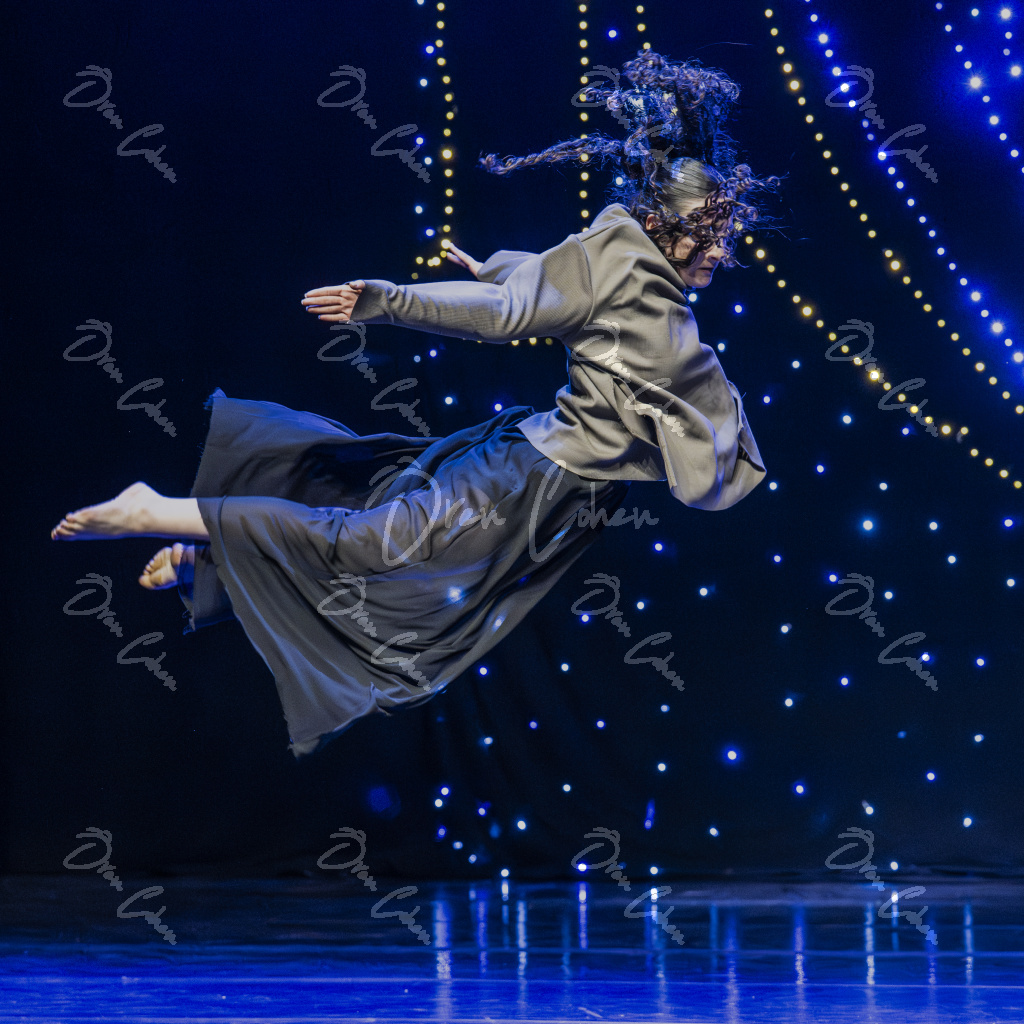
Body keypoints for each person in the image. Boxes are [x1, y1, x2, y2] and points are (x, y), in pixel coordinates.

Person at [50, 51, 781, 758]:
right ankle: (157, 510)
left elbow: (557, 293)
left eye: (723, 235)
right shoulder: (622, 263)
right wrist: (391, 300)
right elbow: (510, 312)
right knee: (366, 547)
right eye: (708, 235)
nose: (720, 251)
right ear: (663, 224)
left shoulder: (648, 283)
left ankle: (206, 563)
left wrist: (502, 268)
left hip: (558, 500)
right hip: (526, 479)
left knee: (399, 589)